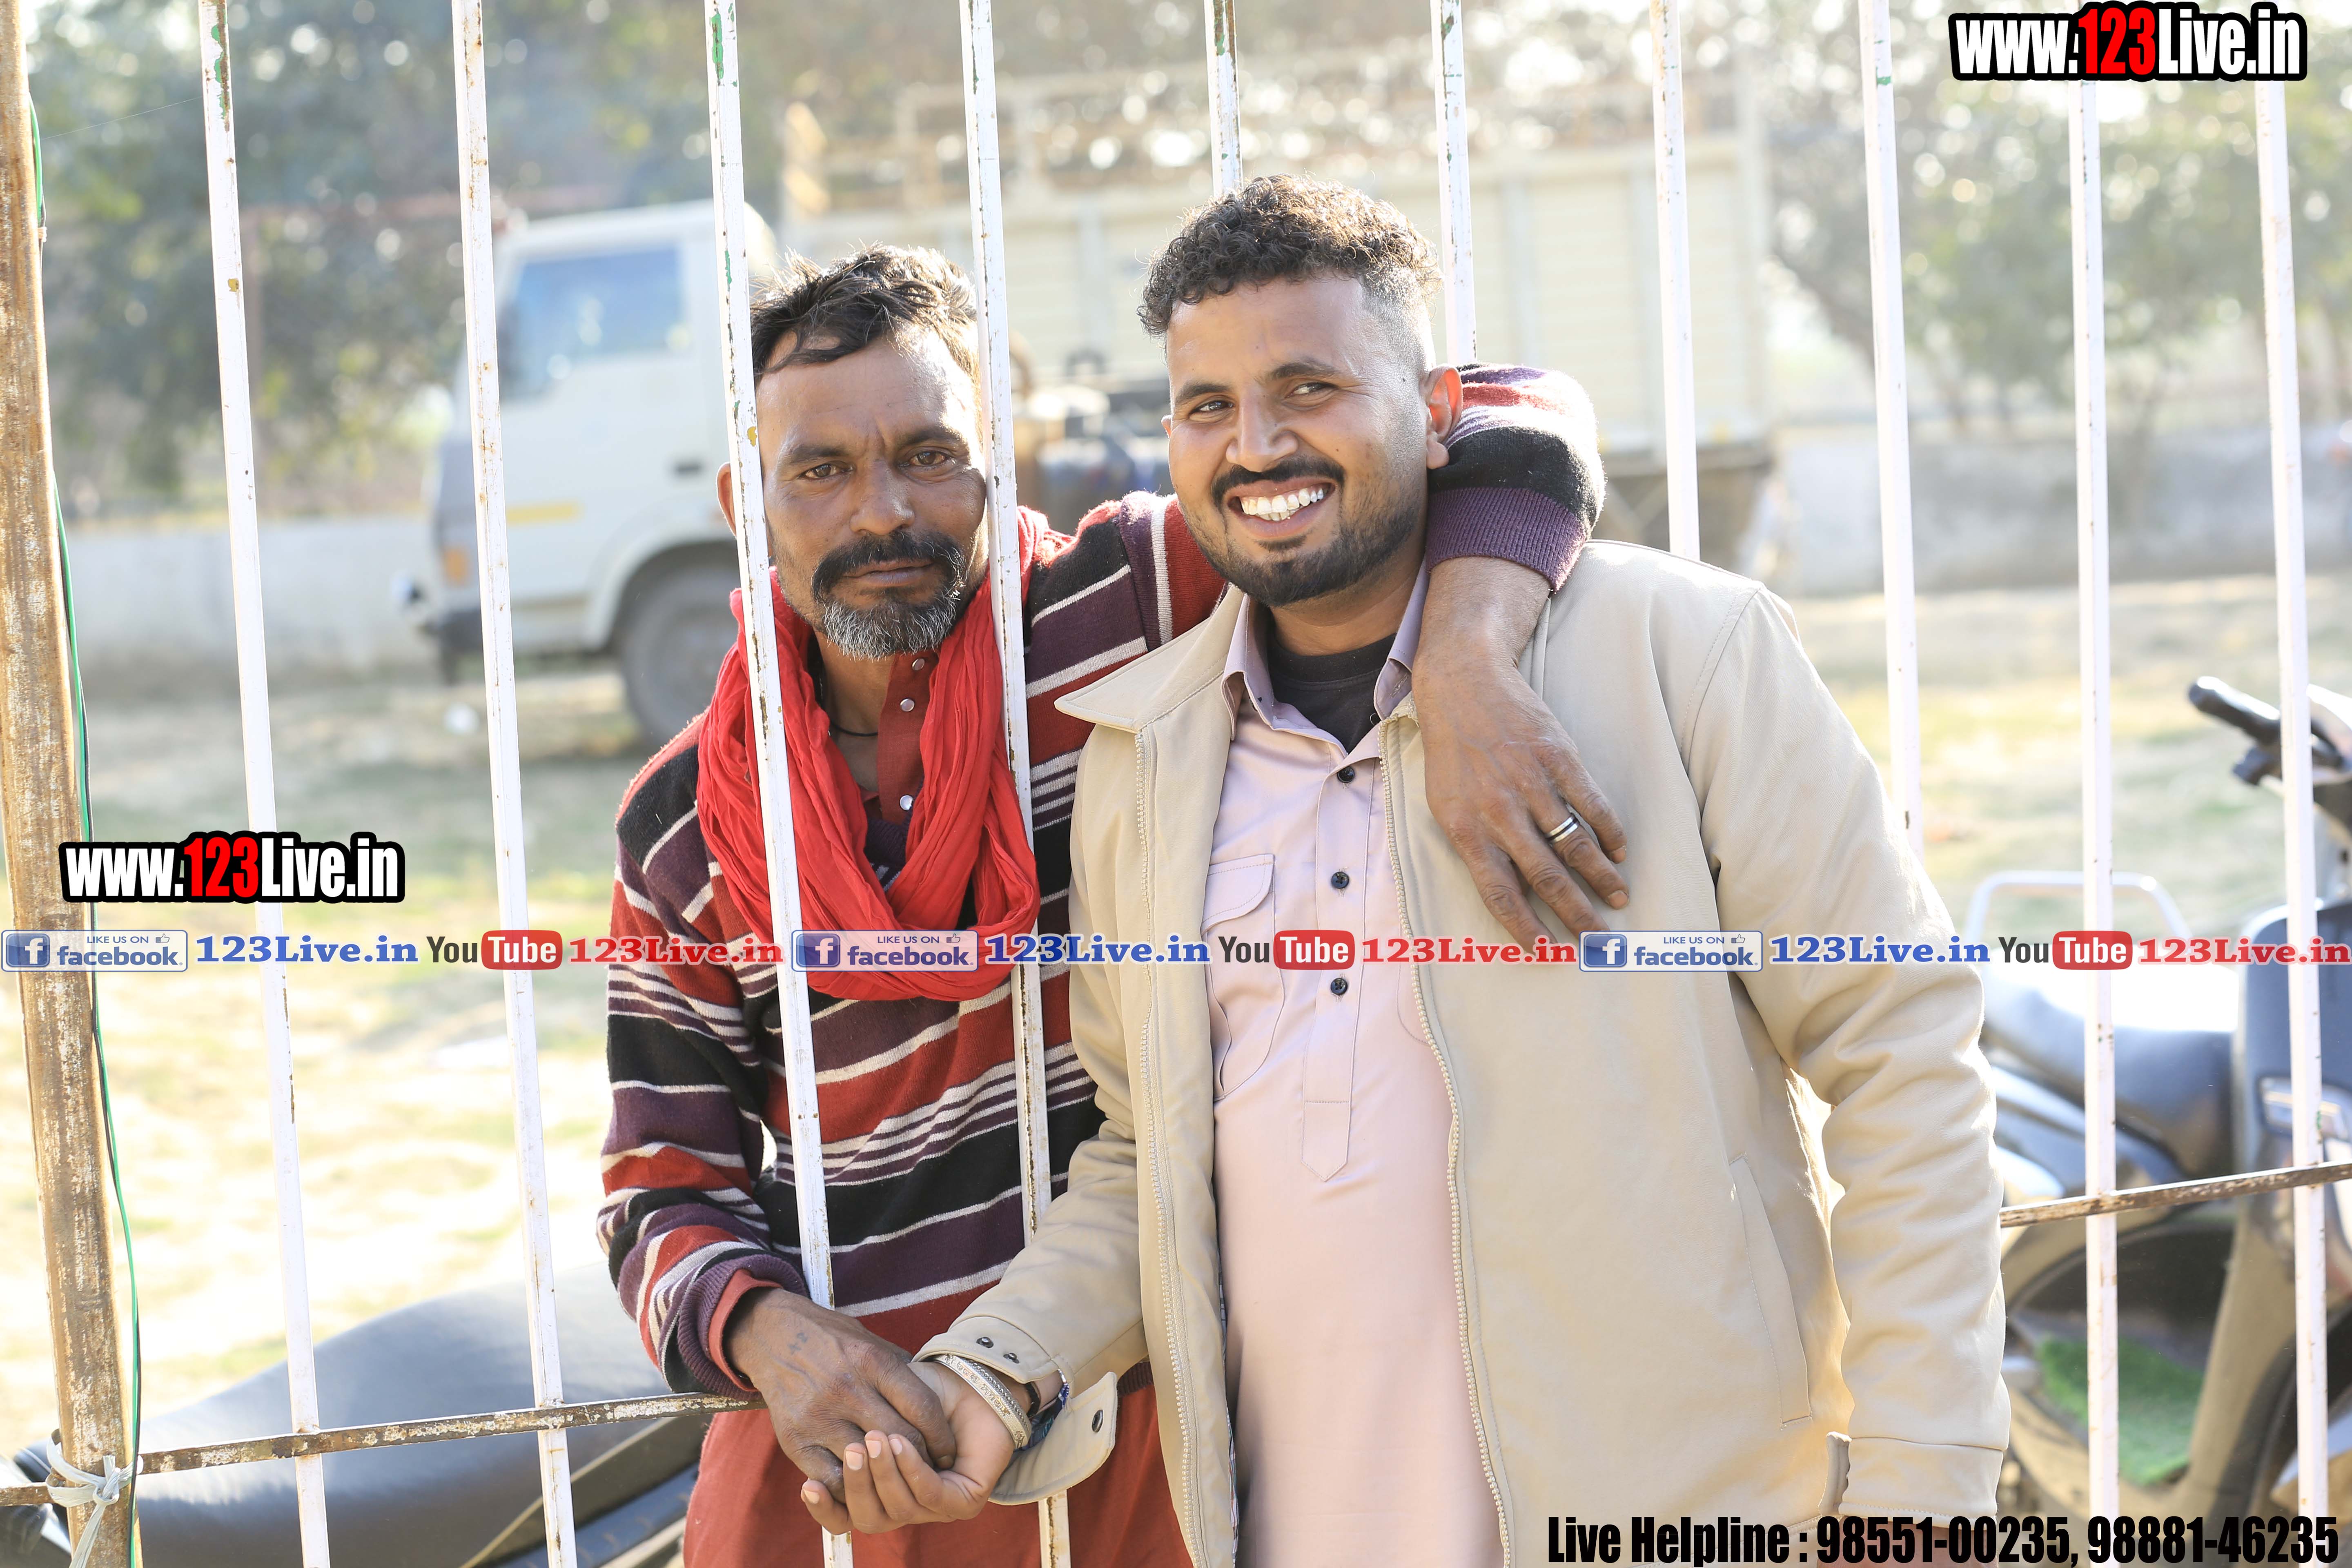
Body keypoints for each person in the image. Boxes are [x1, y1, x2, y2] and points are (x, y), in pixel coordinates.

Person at [811, 178, 2008, 1557]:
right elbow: (1151, 1157)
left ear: (1440, 413)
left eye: (1309, 388)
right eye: (1208, 406)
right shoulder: (1141, 754)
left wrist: (1926, 1489)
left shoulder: (1685, 654)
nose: (1258, 445)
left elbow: (1900, 1054)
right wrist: (1003, 1364)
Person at [597, 239, 1626, 1567]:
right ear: (745, 498)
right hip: (845, 1463)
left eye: (929, 454)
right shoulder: (687, 817)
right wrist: (773, 1339)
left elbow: (1505, 408)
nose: (881, 514)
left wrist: (1470, 653)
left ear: (999, 459)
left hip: (1140, 1418)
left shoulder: (1127, 607)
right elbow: (657, 1185)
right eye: (820, 470)